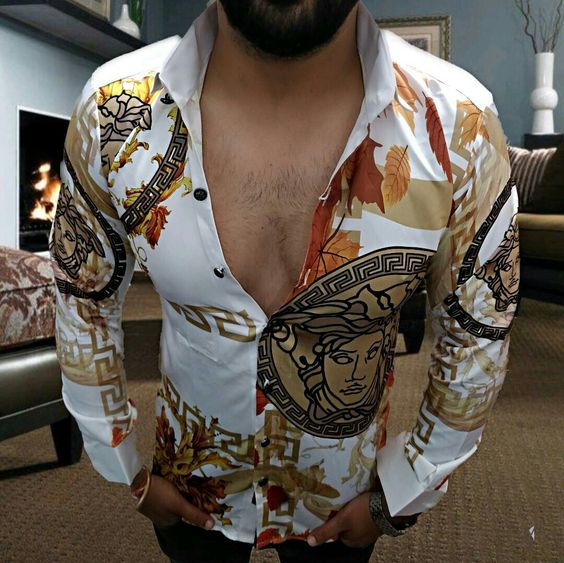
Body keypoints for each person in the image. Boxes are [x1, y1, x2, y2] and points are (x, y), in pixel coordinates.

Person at [48, 0, 520, 561]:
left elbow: (479, 328)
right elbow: (83, 297)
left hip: (344, 495)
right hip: (190, 479)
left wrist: (405, 489)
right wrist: (124, 466)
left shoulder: (461, 122)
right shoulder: (113, 110)